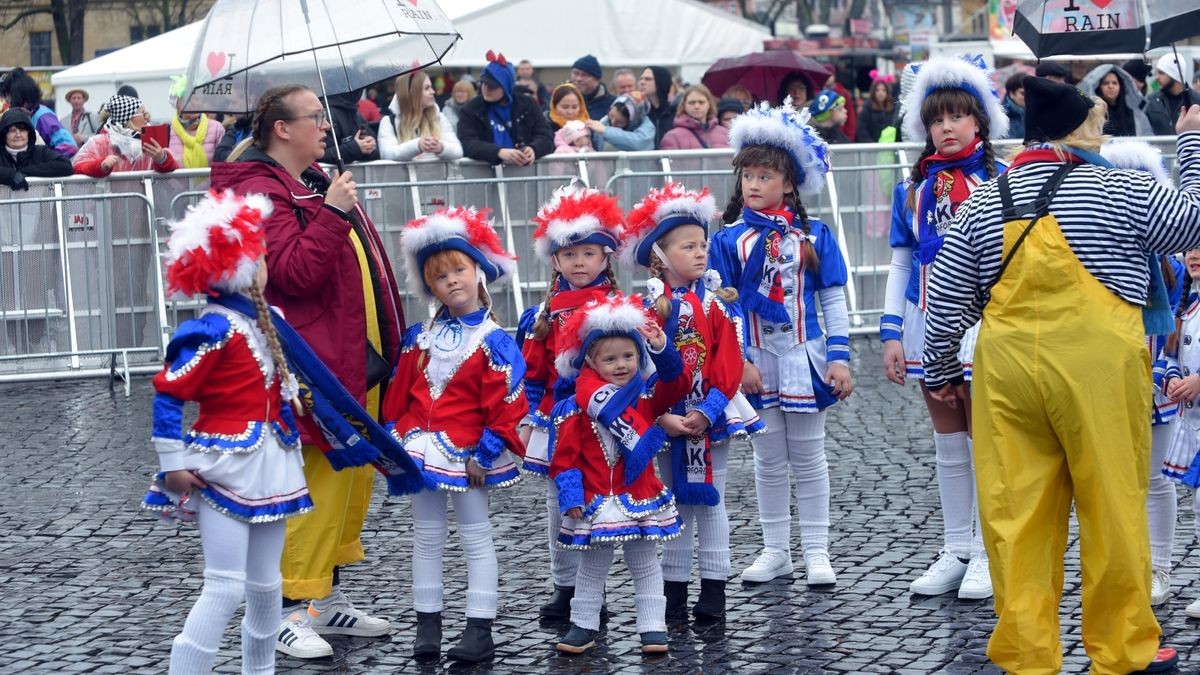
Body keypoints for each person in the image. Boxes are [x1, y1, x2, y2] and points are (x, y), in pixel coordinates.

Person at [921, 76, 1200, 675]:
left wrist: (943, 371)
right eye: (1097, 124)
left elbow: (944, 303)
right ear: (1080, 131)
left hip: (1007, 372)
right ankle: (1124, 652)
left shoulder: (984, 199)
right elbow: (1196, 225)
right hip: (1098, 370)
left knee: (1015, 517)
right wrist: (1195, 147)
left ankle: (1027, 657)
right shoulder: (1122, 186)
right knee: (1112, 508)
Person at [209, 83, 406, 660]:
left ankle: (321, 599)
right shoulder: (257, 190)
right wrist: (335, 212)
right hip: (309, 358)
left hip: (348, 352)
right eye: (314, 118)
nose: (325, 125)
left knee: (349, 476)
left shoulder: (310, 180)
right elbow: (293, 274)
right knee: (315, 475)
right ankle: (286, 610)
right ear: (281, 129)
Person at [140, 189, 311, 674]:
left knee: (266, 588)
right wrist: (171, 466)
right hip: (223, 467)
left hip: (272, 464)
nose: (266, 262)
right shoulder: (212, 329)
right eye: (259, 254)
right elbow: (168, 394)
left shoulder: (266, 322)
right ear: (238, 264)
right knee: (224, 585)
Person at [710, 99, 853, 587]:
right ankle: (775, 550)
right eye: (747, 175)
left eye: (765, 176)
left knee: (810, 456)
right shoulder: (728, 241)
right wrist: (737, 363)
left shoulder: (813, 237)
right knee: (767, 459)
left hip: (803, 356)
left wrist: (839, 357)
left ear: (789, 183)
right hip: (755, 361)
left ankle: (816, 549)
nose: (753, 184)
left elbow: (833, 302)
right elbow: (722, 309)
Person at [882, 54, 1008, 602]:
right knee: (948, 440)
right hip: (929, 320)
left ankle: (987, 551)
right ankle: (957, 547)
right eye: (938, 119)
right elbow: (902, 261)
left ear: (980, 122)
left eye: (958, 116)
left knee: (987, 441)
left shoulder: (1003, 180)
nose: (948, 128)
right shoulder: (912, 190)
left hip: (986, 323)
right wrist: (891, 331)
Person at [387, 207, 526, 663]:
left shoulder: (493, 341)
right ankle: (427, 623)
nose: (451, 281)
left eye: (459, 270)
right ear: (430, 286)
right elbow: (399, 393)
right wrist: (394, 437)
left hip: (468, 451)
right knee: (426, 536)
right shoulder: (419, 338)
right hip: (420, 449)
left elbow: (507, 403)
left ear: (479, 272)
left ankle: (479, 627)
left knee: (475, 535)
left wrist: (486, 453)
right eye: (439, 276)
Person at [619, 183, 761, 623]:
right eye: (688, 246)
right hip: (664, 415)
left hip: (711, 411)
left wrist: (707, 410)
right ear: (660, 256)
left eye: (703, 245)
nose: (701, 253)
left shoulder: (718, 305)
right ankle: (675, 586)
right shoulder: (645, 310)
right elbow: (637, 366)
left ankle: (715, 585)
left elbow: (728, 360)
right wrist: (662, 415)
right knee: (676, 498)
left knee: (711, 498)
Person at [548, 294, 687, 655]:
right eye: (610, 359)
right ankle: (582, 625)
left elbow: (677, 381)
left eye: (629, 356)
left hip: (639, 496)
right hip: (596, 500)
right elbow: (565, 458)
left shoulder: (645, 396)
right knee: (592, 568)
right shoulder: (575, 407)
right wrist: (571, 495)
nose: (622, 365)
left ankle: (653, 627)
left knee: (644, 564)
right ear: (590, 362)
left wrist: (661, 348)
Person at [516, 185, 625, 620]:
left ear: (605, 259)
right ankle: (563, 585)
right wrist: (525, 418)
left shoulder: (617, 309)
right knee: (559, 502)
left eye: (589, 254)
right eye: (570, 255)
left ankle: (592, 590)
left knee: (598, 501)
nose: (580, 263)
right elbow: (533, 375)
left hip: (602, 419)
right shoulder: (543, 316)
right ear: (555, 260)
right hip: (556, 422)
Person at [1100, 139, 1187, 611]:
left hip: (1156, 386)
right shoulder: (1099, 258)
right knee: (1114, 480)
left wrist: (1158, 374)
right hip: (1109, 382)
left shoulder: (1173, 266)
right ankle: (1126, 564)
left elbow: (1173, 325)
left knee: (1154, 480)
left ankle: (1161, 565)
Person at [458, 51, 554, 166]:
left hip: (524, 173)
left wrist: (534, 149)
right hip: (484, 175)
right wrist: (498, 152)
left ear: (506, 86)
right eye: (483, 83)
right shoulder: (470, 109)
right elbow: (467, 143)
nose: (486, 89)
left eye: (493, 86)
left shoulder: (528, 105)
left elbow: (546, 136)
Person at [72, 94, 177, 177]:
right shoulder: (100, 142)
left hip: (144, 202)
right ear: (127, 119)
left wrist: (162, 159)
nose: (147, 117)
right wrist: (100, 166)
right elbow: (78, 166)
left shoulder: (149, 139)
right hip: (111, 202)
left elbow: (172, 171)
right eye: (143, 113)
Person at [378, 70, 463, 162]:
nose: (433, 91)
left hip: (436, 176)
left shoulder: (439, 118)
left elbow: (458, 150)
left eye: (431, 87)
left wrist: (440, 147)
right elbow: (387, 154)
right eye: (427, 88)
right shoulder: (388, 122)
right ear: (411, 93)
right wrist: (417, 145)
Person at [0, 68, 77, 158]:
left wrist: (44, 159)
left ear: (18, 94)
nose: (6, 100)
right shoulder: (27, 115)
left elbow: (69, 147)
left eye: (8, 95)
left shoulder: (42, 116)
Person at [0, 108, 73, 189]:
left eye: (22, 130)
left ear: (29, 133)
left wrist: (24, 171)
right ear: (4, 134)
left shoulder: (41, 151)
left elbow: (65, 166)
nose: (18, 134)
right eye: (12, 130)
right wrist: (10, 175)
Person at [1079, 64, 1153, 138]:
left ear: (1121, 86)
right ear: (1098, 87)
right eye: (1106, 83)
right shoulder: (1091, 114)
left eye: (1114, 83)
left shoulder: (1137, 115)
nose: (1111, 86)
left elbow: (1148, 139)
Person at [660, 84, 729, 150]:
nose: (697, 106)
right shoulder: (672, 137)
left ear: (709, 104)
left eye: (701, 102)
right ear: (684, 105)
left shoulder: (725, 133)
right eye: (692, 103)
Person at [321, 89, 379, 165]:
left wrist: (369, 146)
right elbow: (321, 155)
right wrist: (355, 148)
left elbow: (375, 151)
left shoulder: (356, 114)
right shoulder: (328, 114)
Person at [1148, 54, 1199, 136]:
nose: (1157, 77)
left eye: (1161, 73)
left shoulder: (1196, 100)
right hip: (1158, 148)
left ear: (1174, 74)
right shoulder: (1151, 101)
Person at [589, 92, 654, 151]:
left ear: (631, 122)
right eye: (611, 115)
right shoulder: (605, 121)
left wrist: (606, 131)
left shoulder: (647, 127)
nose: (613, 122)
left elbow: (640, 143)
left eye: (620, 122)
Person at [571, 54, 617, 122]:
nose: (578, 79)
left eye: (584, 75)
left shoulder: (612, 104)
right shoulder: (561, 98)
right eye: (575, 73)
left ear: (597, 79)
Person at [639, 66, 676, 148]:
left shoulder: (676, 114)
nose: (642, 82)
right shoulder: (639, 113)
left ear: (661, 82)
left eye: (648, 79)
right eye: (641, 79)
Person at [857, 71, 895, 143]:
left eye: (883, 90)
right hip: (872, 149)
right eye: (877, 90)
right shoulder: (866, 109)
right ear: (873, 92)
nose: (881, 93)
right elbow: (862, 131)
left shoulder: (892, 109)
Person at [1002, 72, 1027, 141]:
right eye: (1023, 93)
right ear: (1011, 93)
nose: (1028, 97)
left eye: (1030, 93)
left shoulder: (1036, 113)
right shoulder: (1001, 118)